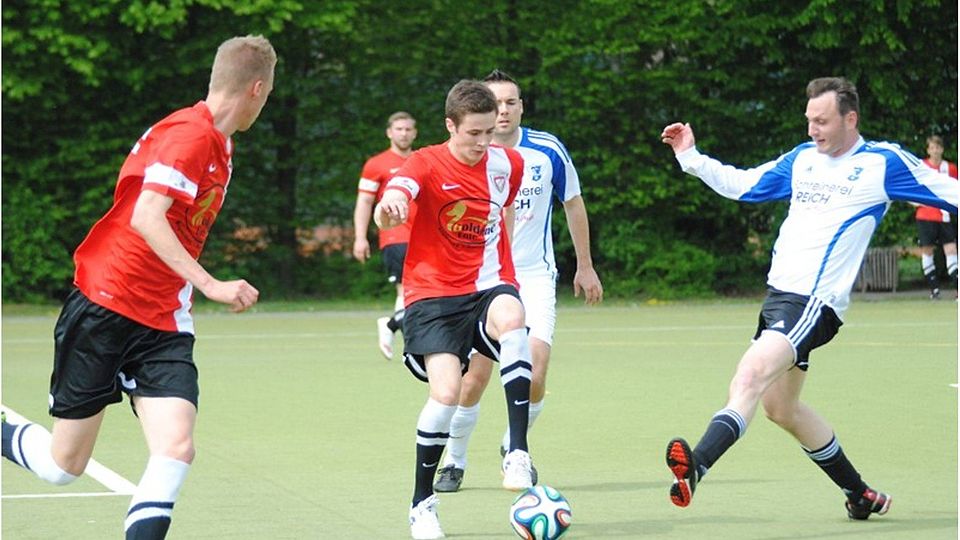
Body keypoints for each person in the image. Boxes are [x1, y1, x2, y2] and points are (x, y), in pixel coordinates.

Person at [1, 36, 276, 539]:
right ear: (257, 89)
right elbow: (149, 216)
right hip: (106, 304)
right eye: (268, 94)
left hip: (164, 322)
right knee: (62, 467)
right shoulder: (190, 136)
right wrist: (212, 284)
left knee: (175, 448)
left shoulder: (221, 143)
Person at [659, 77, 957, 520]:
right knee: (781, 408)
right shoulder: (801, 160)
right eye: (809, 120)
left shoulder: (882, 162)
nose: (813, 129)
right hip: (780, 299)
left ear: (850, 119)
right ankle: (859, 493)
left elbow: (952, 194)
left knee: (748, 377)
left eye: (822, 121)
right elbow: (743, 185)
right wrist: (689, 156)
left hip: (815, 304)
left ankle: (698, 464)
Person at [374, 79, 533, 540]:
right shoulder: (423, 162)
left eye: (490, 133)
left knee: (513, 320)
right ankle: (422, 505)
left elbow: (499, 213)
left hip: (486, 283)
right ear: (450, 125)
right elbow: (397, 194)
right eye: (474, 134)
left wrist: (504, 268)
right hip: (432, 294)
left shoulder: (509, 163)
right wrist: (392, 207)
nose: (484, 143)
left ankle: (517, 450)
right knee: (446, 394)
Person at [433, 69, 603, 493]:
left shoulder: (546, 151)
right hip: (482, 278)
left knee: (536, 370)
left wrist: (585, 265)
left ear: (521, 106)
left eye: (511, 102)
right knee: (473, 378)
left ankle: (515, 448)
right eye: (496, 103)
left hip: (533, 275)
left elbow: (573, 203)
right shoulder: (466, 154)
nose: (504, 111)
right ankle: (454, 458)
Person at [352, 112, 418, 357]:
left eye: (408, 129)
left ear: (415, 132)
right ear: (390, 132)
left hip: (423, 237)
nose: (404, 133)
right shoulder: (376, 164)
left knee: (420, 291)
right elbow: (364, 203)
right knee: (407, 290)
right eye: (399, 129)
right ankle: (410, 345)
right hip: (395, 237)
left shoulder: (421, 160)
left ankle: (391, 325)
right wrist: (360, 237)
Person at [914, 134, 958, 298]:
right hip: (925, 216)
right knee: (927, 251)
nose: (935, 151)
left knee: (952, 250)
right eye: (932, 147)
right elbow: (913, 189)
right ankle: (934, 290)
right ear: (928, 150)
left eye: (938, 147)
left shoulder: (950, 168)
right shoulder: (921, 166)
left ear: (942, 149)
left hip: (944, 216)